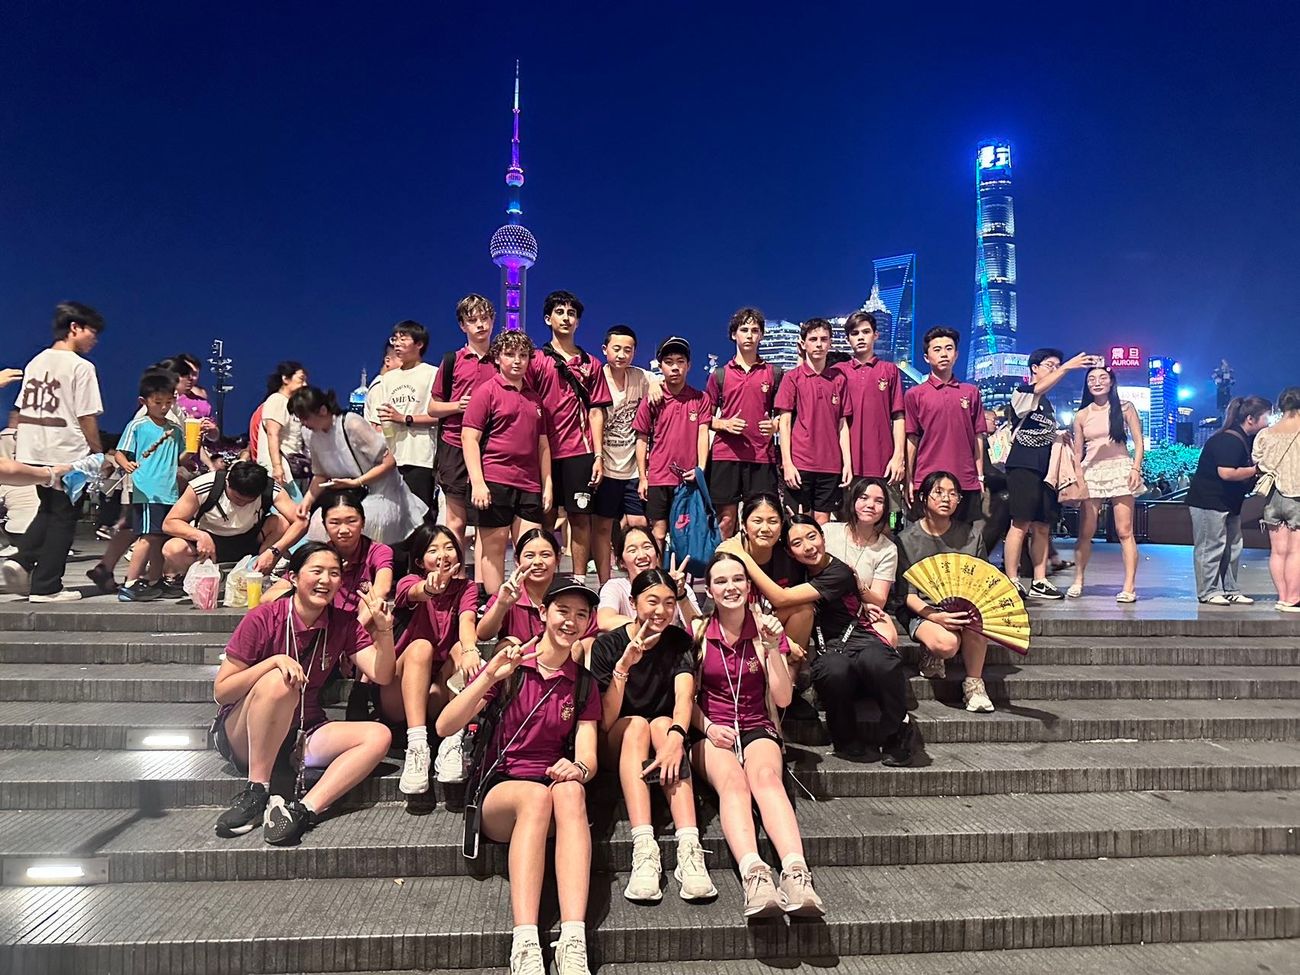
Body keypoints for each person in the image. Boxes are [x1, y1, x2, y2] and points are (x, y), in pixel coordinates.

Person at [435, 578, 601, 975]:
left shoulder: (583, 683)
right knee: (536, 797)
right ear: (543, 613)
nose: (571, 621)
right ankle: (525, 941)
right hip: (501, 791)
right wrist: (489, 676)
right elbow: (444, 725)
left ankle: (573, 938)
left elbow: (588, 755)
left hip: (549, 792)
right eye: (563, 611)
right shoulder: (511, 668)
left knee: (572, 792)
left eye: (581, 615)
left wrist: (578, 768)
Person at [212, 542, 395, 845]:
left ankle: (304, 810)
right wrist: (273, 662)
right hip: (245, 734)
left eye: (334, 573)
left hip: (302, 732)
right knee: (279, 681)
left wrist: (384, 631)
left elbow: (382, 674)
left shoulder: (343, 623)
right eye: (317, 571)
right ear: (294, 577)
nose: (325, 580)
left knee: (378, 735)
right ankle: (257, 790)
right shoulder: (263, 618)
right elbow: (222, 691)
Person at [689, 553, 823, 919]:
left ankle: (796, 872)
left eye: (738, 579)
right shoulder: (698, 632)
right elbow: (684, 699)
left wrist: (772, 648)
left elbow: (782, 699)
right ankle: (755, 874)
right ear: (709, 590)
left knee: (766, 778)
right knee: (733, 784)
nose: (730, 587)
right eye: (721, 581)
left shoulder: (766, 630)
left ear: (749, 586)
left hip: (757, 724)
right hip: (711, 729)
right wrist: (708, 727)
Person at [589, 568, 715, 903]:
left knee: (661, 725)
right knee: (638, 726)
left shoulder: (678, 641)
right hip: (618, 737)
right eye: (652, 601)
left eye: (669, 602)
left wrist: (676, 737)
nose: (661, 610)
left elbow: (684, 696)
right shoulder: (607, 645)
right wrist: (623, 667)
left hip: (662, 737)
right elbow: (605, 721)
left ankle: (689, 846)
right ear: (633, 603)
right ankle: (644, 847)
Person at [782, 515, 914, 764]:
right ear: (789, 551)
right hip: (830, 646)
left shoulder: (839, 571)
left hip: (860, 636)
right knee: (834, 669)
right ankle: (844, 738)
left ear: (823, 537)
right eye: (797, 543)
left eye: (812, 537)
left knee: (880, 661)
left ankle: (897, 731)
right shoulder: (796, 573)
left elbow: (782, 598)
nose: (808, 547)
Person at [2, 302, 105, 602]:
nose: (95, 340)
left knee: (48, 509)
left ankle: (22, 559)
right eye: (92, 332)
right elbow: (86, 415)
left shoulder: (36, 361)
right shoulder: (81, 367)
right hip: (66, 452)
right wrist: (97, 452)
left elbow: (20, 408)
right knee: (64, 517)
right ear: (75, 327)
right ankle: (47, 585)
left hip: (33, 448)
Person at [383, 524, 481, 795]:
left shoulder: (466, 587)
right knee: (421, 647)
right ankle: (417, 747)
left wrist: (470, 649)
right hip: (399, 692)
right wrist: (429, 588)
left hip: (437, 694)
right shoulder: (408, 581)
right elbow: (416, 592)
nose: (443, 555)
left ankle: (453, 740)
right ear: (419, 561)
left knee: (462, 649)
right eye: (433, 550)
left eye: (449, 548)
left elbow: (467, 621)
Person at [526, 290, 612, 585]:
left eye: (571, 313)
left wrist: (598, 456)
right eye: (560, 312)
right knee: (546, 517)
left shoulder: (591, 364)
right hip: (544, 451)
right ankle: (543, 580)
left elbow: (597, 412)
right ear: (547, 319)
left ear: (578, 322)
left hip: (580, 451)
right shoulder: (536, 360)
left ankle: (578, 581)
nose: (566, 318)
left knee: (580, 518)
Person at [1002, 348, 1100, 600]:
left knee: (1043, 526)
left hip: (1048, 469)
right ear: (1034, 368)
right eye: (1050, 365)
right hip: (1024, 464)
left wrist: (1059, 436)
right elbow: (1038, 390)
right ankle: (1012, 579)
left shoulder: (1047, 404)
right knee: (1020, 523)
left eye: (1057, 365)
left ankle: (1040, 580)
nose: (1055, 369)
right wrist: (1067, 367)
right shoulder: (1023, 392)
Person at [896, 470, 995, 713]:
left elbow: (983, 579)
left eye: (953, 494)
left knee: (977, 620)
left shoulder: (971, 536)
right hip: (924, 609)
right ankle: (931, 650)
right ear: (923, 497)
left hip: (964, 607)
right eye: (938, 492)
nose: (946, 499)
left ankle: (974, 685)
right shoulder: (906, 540)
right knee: (947, 644)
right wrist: (936, 616)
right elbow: (907, 595)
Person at [464, 329, 553, 596]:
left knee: (532, 549)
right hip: (495, 480)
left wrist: (547, 484)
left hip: (529, 484)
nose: (517, 360)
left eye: (523, 355)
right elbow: (469, 438)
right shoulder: (486, 392)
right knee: (494, 550)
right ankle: (496, 606)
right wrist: (478, 483)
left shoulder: (534, 398)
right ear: (497, 358)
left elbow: (543, 445)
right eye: (510, 354)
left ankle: (529, 606)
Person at [290, 386, 428, 546]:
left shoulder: (352, 424)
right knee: (318, 523)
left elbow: (389, 462)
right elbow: (320, 474)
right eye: (300, 418)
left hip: (381, 493)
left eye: (306, 417)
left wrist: (357, 482)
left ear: (322, 410)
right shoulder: (310, 435)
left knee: (362, 523)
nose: (304, 423)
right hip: (349, 496)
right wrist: (306, 502)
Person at [261, 488, 394, 624]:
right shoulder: (317, 555)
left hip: (362, 626)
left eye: (352, 521)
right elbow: (268, 598)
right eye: (335, 523)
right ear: (324, 525)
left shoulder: (379, 551)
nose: (344, 530)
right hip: (322, 625)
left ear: (363, 523)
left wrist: (353, 631)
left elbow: (382, 589)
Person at [1185, 396, 1270, 605]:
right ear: (1250, 419)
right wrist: (1256, 470)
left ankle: (1230, 589)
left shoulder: (1242, 439)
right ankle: (1208, 591)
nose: (1269, 421)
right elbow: (1226, 473)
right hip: (1209, 501)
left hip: (1229, 502)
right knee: (1210, 546)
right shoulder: (1228, 440)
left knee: (1232, 547)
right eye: (1266, 416)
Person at [705, 308, 782, 538]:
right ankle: (724, 559)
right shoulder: (719, 375)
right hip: (725, 455)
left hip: (761, 456)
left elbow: (785, 416)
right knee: (725, 521)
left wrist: (775, 425)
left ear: (761, 336)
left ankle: (754, 561)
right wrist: (724, 424)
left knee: (759, 520)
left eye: (755, 330)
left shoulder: (774, 373)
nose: (749, 335)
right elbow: (705, 417)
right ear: (733, 335)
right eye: (744, 329)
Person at [1070, 366, 1145, 602]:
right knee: (1086, 531)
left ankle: (1129, 586)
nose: (1097, 382)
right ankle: (1078, 579)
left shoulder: (1125, 408)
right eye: (1092, 379)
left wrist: (1135, 468)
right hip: (1091, 472)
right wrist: (1077, 478)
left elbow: (1139, 442)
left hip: (1121, 469)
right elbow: (1078, 452)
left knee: (1125, 531)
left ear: (1111, 382)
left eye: (1103, 378)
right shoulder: (1081, 415)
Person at [430, 296, 498, 553]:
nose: (480, 325)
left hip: (491, 447)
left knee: (487, 522)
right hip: (454, 445)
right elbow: (433, 407)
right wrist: (457, 406)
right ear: (462, 325)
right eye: (472, 320)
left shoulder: (502, 360)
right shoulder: (452, 360)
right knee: (456, 521)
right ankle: (456, 573)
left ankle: (483, 576)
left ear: (493, 320)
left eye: (485, 318)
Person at [113, 370, 188, 601]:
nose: (164, 407)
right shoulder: (138, 425)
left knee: (160, 537)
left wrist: (195, 445)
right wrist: (126, 464)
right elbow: (120, 453)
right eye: (158, 402)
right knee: (147, 536)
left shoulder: (175, 430)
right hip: (148, 491)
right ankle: (131, 582)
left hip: (169, 491)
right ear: (143, 401)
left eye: (168, 402)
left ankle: (155, 579)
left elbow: (179, 458)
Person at [161, 460, 307, 578]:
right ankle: (197, 578)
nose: (242, 504)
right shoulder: (205, 485)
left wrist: (275, 551)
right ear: (228, 483)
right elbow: (170, 523)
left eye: (249, 501)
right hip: (210, 543)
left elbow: (302, 521)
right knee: (173, 549)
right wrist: (200, 535)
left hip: (251, 539)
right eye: (237, 498)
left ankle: (260, 571)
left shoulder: (269, 487)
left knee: (281, 523)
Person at [633, 336, 711, 547]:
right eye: (669, 362)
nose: (675, 367)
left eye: (680, 361)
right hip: (658, 477)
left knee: (685, 534)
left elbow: (703, 434)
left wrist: (700, 469)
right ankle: (660, 570)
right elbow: (641, 438)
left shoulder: (701, 398)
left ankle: (682, 571)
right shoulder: (652, 400)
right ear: (660, 366)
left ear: (689, 365)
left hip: (688, 479)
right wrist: (643, 477)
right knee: (658, 533)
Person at [904, 326, 987, 521]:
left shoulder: (971, 392)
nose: (943, 354)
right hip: (927, 480)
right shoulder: (915, 394)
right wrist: (909, 479)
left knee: (964, 537)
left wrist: (980, 476)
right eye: (937, 349)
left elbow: (978, 436)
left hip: (965, 480)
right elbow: (912, 438)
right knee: (926, 536)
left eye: (949, 349)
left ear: (956, 355)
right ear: (926, 357)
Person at [715, 493, 814, 657]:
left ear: (781, 525)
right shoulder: (728, 556)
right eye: (757, 521)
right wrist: (785, 642)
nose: (765, 529)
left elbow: (785, 600)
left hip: (773, 623)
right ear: (744, 524)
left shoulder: (788, 556)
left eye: (773, 521)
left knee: (804, 609)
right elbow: (727, 613)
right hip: (737, 627)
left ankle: (791, 670)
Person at [775, 318, 853, 522]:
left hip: (830, 465)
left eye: (824, 339)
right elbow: (784, 423)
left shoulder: (839, 379)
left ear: (830, 343)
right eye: (813, 339)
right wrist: (787, 463)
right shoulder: (792, 378)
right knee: (798, 523)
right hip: (800, 463)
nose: (819, 344)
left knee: (823, 524)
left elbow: (842, 425)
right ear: (803, 344)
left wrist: (847, 463)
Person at [592, 325, 650, 584]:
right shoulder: (597, 377)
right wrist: (597, 458)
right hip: (606, 466)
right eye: (616, 349)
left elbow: (663, 382)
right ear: (605, 349)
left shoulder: (641, 377)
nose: (622, 354)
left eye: (628, 350)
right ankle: (605, 584)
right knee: (603, 526)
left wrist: (656, 388)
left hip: (633, 468)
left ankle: (641, 581)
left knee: (639, 524)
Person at [479, 529, 599, 651]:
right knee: (508, 644)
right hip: (520, 660)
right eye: (529, 556)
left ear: (558, 558)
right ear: (516, 560)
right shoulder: (508, 593)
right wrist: (501, 605)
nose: (537, 562)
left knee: (578, 646)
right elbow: (483, 635)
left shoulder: (575, 593)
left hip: (564, 659)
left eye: (545, 555)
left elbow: (588, 642)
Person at [365, 320, 439, 514]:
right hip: (391, 459)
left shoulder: (432, 374)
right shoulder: (388, 379)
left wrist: (404, 418)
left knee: (418, 515)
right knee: (391, 515)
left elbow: (439, 416)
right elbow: (378, 421)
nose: (397, 343)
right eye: (395, 339)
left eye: (403, 339)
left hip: (420, 456)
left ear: (419, 344)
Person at [835, 311, 905, 484]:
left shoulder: (889, 370)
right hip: (845, 464)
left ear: (876, 335)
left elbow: (898, 416)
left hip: (883, 461)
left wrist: (898, 456)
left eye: (866, 332)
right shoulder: (838, 371)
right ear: (847, 339)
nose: (860, 337)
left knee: (886, 502)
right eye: (855, 333)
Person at [822, 477, 900, 625]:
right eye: (864, 498)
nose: (870, 505)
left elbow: (880, 601)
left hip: (859, 610)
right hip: (823, 605)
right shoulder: (828, 531)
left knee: (887, 631)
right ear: (853, 501)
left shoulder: (888, 549)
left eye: (879, 501)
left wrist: (860, 586)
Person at [596, 524, 700, 632]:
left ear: (657, 555)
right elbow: (605, 621)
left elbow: (699, 629)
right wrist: (652, 626)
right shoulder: (615, 587)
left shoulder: (680, 587)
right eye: (632, 550)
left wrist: (681, 595)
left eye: (647, 547)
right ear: (622, 562)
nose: (642, 556)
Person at [1254, 386, 1300, 612]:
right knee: (1296, 551)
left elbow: (1257, 460)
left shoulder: (1266, 434)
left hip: (1272, 497)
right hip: (1297, 496)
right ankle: (1293, 598)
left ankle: (1282, 597)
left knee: (1278, 551)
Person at [256, 361, 309, 496]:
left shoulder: (291, 404)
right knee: (293, 506)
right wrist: (277, 467)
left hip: (293, 467)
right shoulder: (277, 400)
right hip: (282, 467)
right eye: (301, 379)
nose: (305, 385)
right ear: (285, 378)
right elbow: (272, 434)